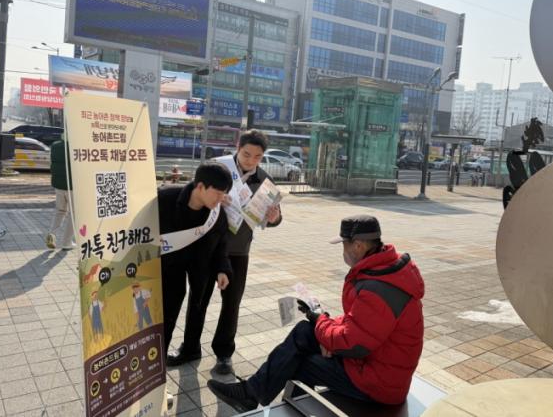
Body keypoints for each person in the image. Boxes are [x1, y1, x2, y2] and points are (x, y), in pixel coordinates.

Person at [207, 215, 425, 413]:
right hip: (374, 364)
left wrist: (321, 322)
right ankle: (251, 393)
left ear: (358, 246)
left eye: (344, 245)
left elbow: (352, 344)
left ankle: (254, 395)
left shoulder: (378, 289)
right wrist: (322, 321)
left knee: (297, 363)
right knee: (305, 331)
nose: (343, 251)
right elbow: (361, 324)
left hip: (379, 384)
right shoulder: (384, 271)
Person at [175, 130, 282, 374]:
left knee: (231, 303)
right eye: (246, 154)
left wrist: (274, 218)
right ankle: (189, 347)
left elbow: (275, 218)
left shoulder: (265, 181)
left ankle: (224, 354)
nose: (251, 161)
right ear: (237, 147)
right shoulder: (219, 168)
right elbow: (194, 197)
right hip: (206, 247)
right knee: (198, 299)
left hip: (238, 251)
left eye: (257, 157)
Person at [159, 161, 233, 358]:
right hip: (169, 265)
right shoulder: (164, 199)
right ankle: (158, 360)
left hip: (201, 265)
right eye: (218, 193)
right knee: (167, 311)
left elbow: (221, 242)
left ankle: (191, 349)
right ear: (200, 186)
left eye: (224, 194)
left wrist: (222, 269)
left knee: (198, 306)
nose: (221, 199)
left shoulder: (216, 212)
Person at [45, 133, 74, 250]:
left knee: (60, 211)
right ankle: (67, 242)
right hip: (72, 186)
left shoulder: (55, 146)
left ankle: (52, 234)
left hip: (58, 185)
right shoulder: (75, 146)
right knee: (73, 214)